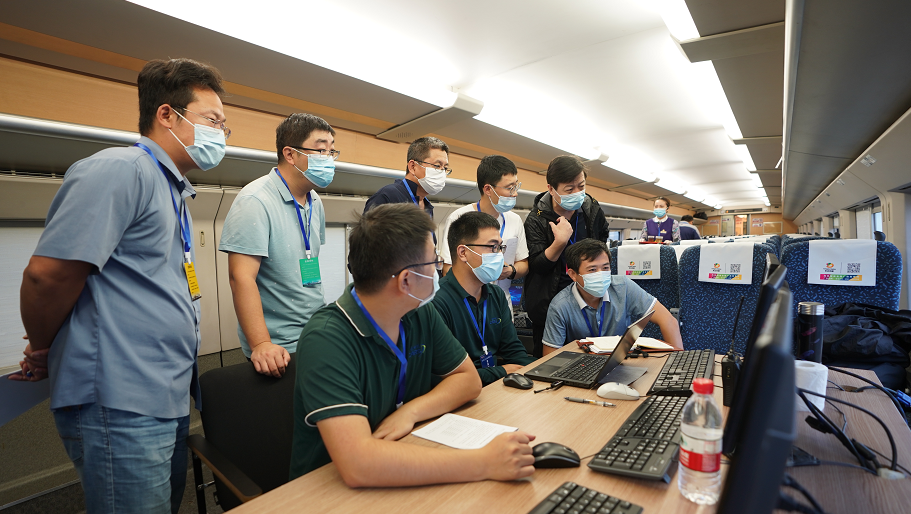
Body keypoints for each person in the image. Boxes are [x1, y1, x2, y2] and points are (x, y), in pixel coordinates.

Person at [11, 58, 227, 513]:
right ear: (167, 115)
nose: (222, 134)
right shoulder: (121, 169)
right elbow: (48, 275)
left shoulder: (172, 189)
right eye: (213, 121)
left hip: (163, 395)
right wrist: (43, 347)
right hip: (121, 400)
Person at [289, 204, 536, 486]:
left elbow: (468, 381)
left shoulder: (420, 312)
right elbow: (358, 464)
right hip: (328, 489)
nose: (439, 271)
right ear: (406, 280)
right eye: (433, 263)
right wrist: (484, 462)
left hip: (407, 455)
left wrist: (411, 412)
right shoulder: (327, 338)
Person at [218, 113, 337, 377]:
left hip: (315, 334)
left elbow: (308, 261)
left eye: (331, 151)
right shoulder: (255, 200)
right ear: (290, 154)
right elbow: (241, 278)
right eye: (321, 150)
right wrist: (261, 344)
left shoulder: (315, 201)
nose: (328, 158)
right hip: (277, 346)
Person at [432, 212, 534, 386]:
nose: (499, 255)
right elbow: (443, 376)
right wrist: (502, 371)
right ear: (463, 252)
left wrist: (546, 370)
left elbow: (516, 354)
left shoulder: (496, 295)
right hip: (461, 393)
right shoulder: (436, 302)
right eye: (492, 247)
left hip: (496, 387)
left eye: (500, 247)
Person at [523, 155, 610, 357]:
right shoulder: (536, 219)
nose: (577, 193)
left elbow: (602, 243)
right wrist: (560, 242)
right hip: (549, 301)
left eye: (581, 186)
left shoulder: (592, 210)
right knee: (551, 362)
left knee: (590, 358)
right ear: (551, 189)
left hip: (588, 295)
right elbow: (537, 266)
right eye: (569, 190)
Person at [542, 239, 683, 353]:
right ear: (573, 274)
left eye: (605, 268)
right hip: (582, 366)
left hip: (622, 362)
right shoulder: (560, 305)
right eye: (592, 269)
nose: (600, 274)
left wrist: (677, 363)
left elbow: (669, 321)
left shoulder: (623, 287)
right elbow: (550, 357)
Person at [437, 155, 529, 304]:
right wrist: (480, 273)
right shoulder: (460, 217)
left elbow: (524, 264)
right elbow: (448, 268)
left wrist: (511, 271)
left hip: (502, 301)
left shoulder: (515, 220)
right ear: (488, 189)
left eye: (516, 186)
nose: (515, 193)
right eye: (509, 188)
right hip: (467, 301)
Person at [363, 136, 451, 218]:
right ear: (412, 167)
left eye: (445, 168)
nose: (442, 172)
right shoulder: (388, 197)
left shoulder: (427, 206)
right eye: (437, 166)